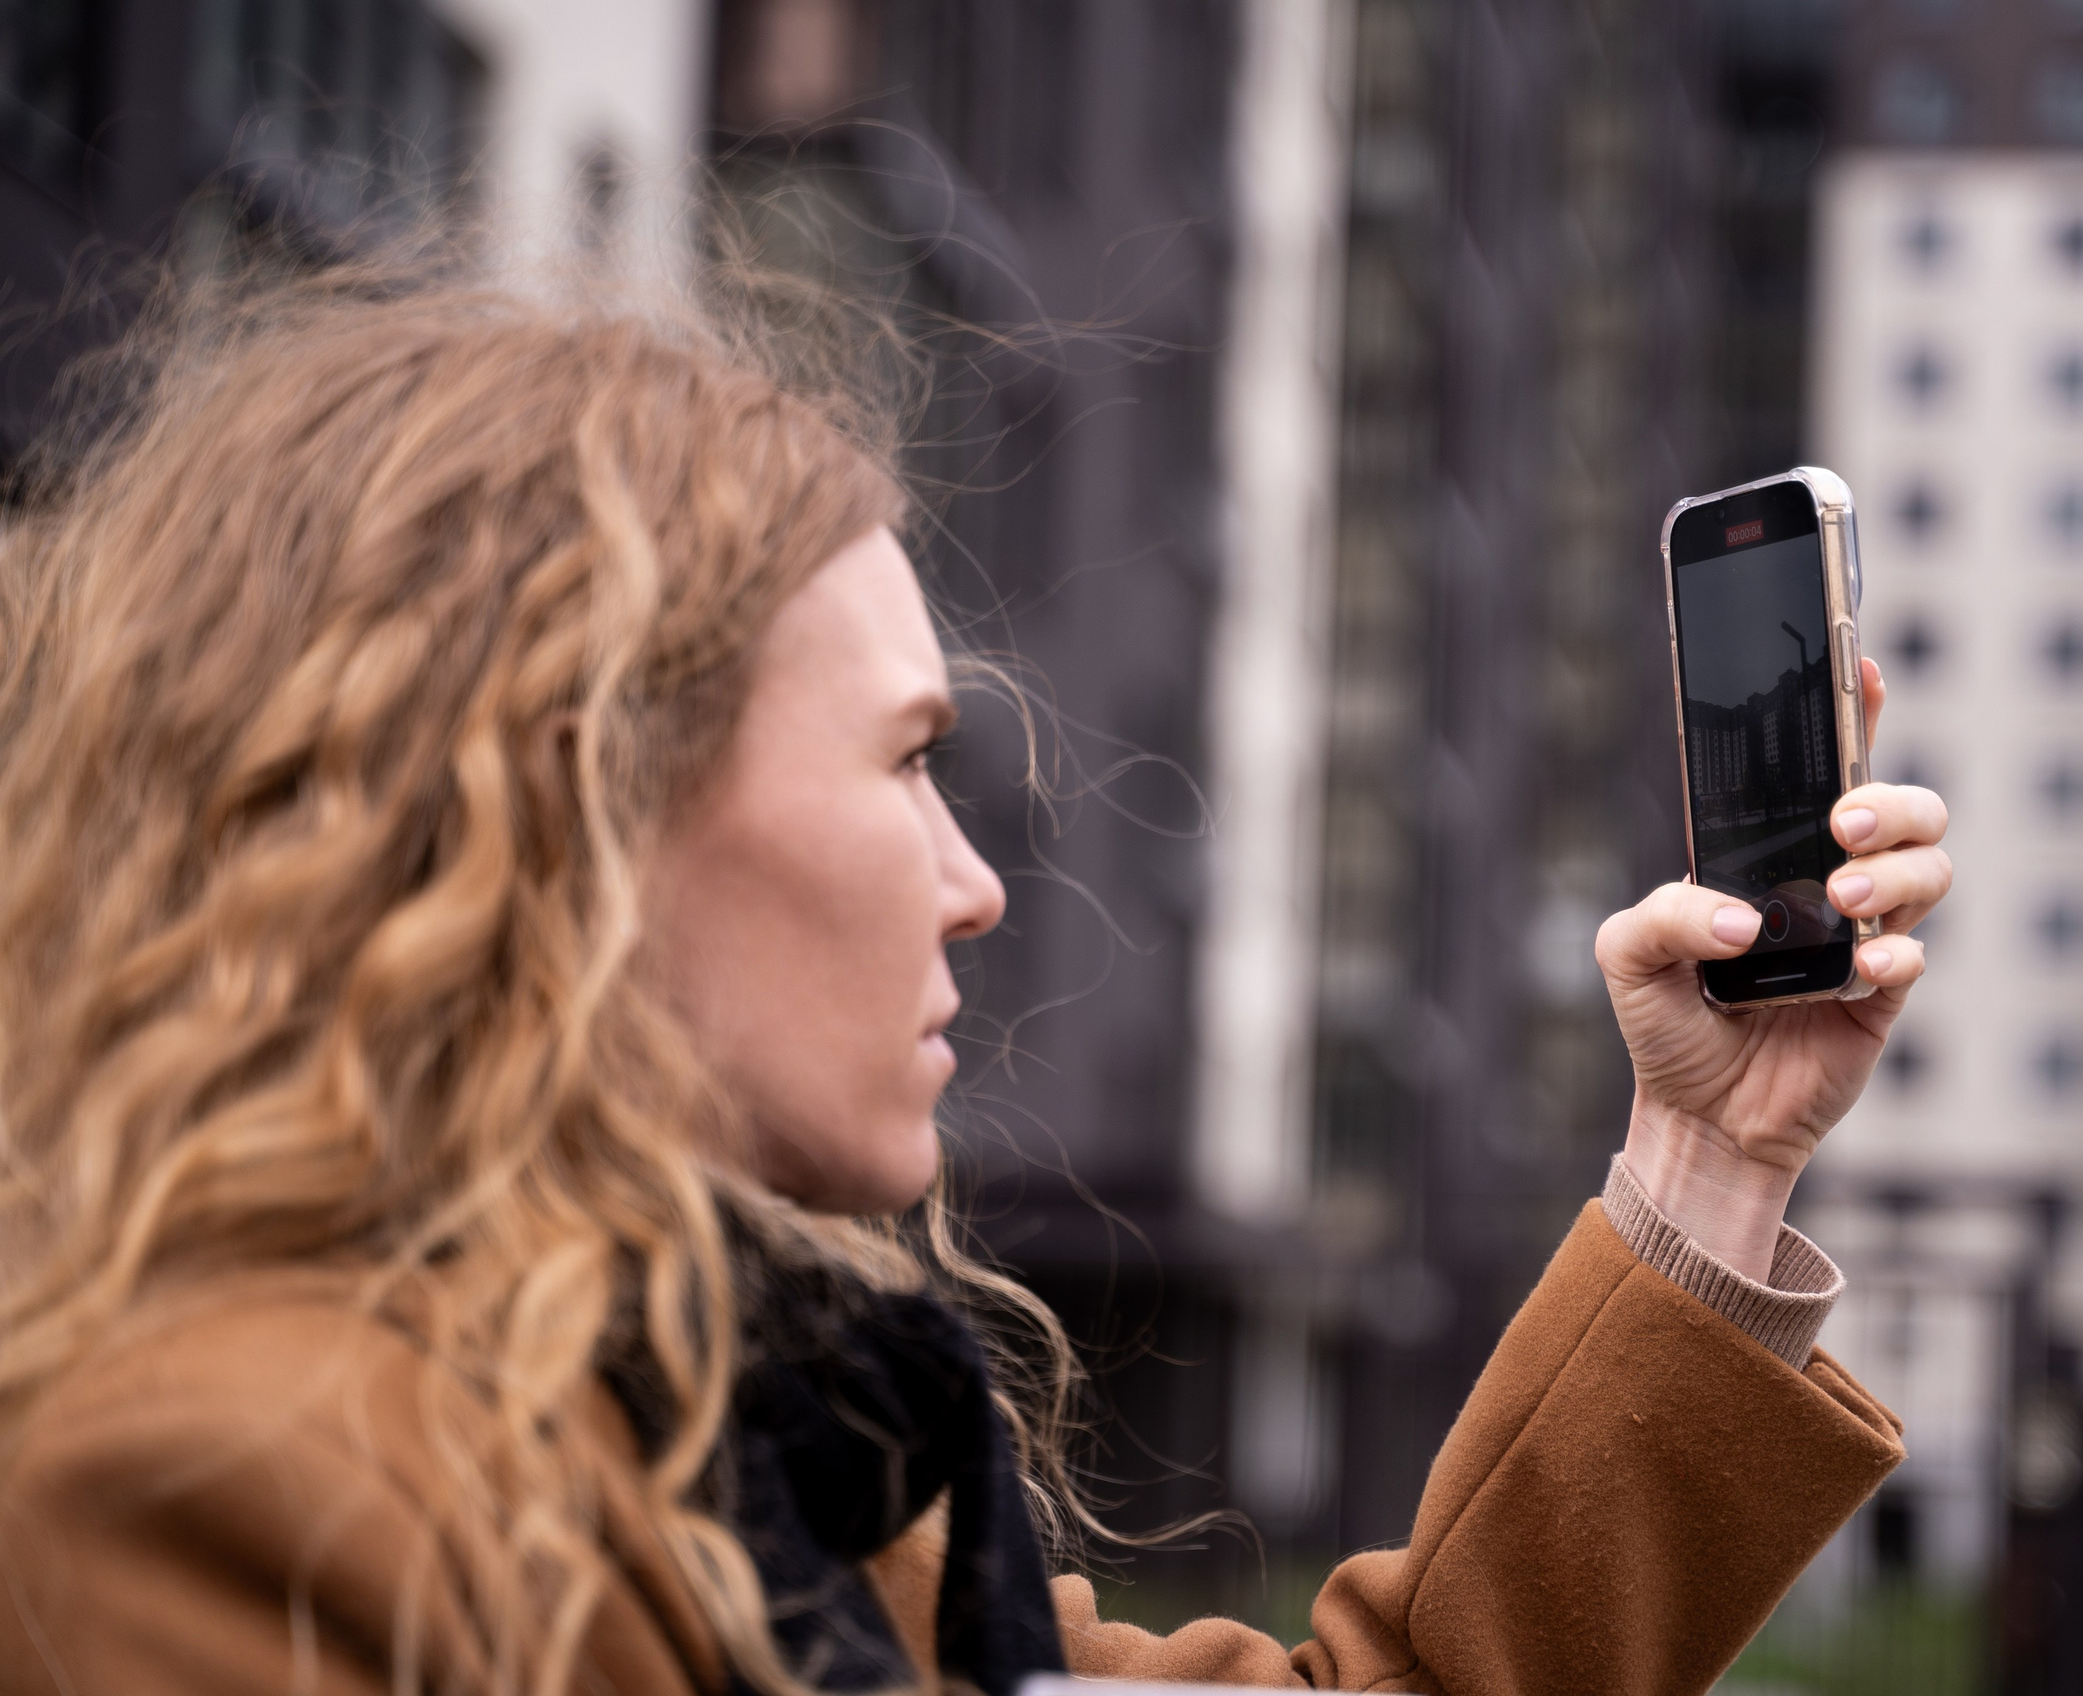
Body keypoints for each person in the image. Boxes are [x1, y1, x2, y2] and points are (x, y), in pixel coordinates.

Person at [0, 269, 1950, 1696]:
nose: (972, 886)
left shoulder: (772, 1460)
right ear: (572, 800)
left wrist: (1707, 1159)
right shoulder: (213, 1492)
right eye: (905, 757)